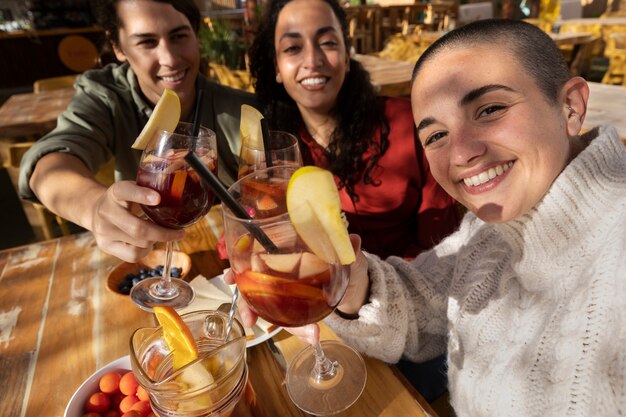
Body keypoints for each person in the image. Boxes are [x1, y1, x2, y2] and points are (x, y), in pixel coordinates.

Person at [235, 19, 626, 416]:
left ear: (571, 106)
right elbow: (428, 304)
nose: (460, 154)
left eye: (490, 109)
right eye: (436, 136)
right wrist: (353, 284)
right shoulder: (489, 229)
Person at [18, 0, 256, 263]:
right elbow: (48, 167)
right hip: (143, 262)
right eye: (147, 42)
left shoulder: (240, 109)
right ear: (118, 47)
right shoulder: (106, 97)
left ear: (195, 34)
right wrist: (95, 207)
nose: (170, 59)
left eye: (179, 36)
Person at [248, 0, 460, 260]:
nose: (312, 60)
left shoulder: (409, 123)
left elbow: (443, 244)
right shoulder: (272, 150)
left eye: (327, 43)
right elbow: (249, 233)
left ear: (347, 57)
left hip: (416, 286)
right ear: (277, 68)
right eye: (293, 48)